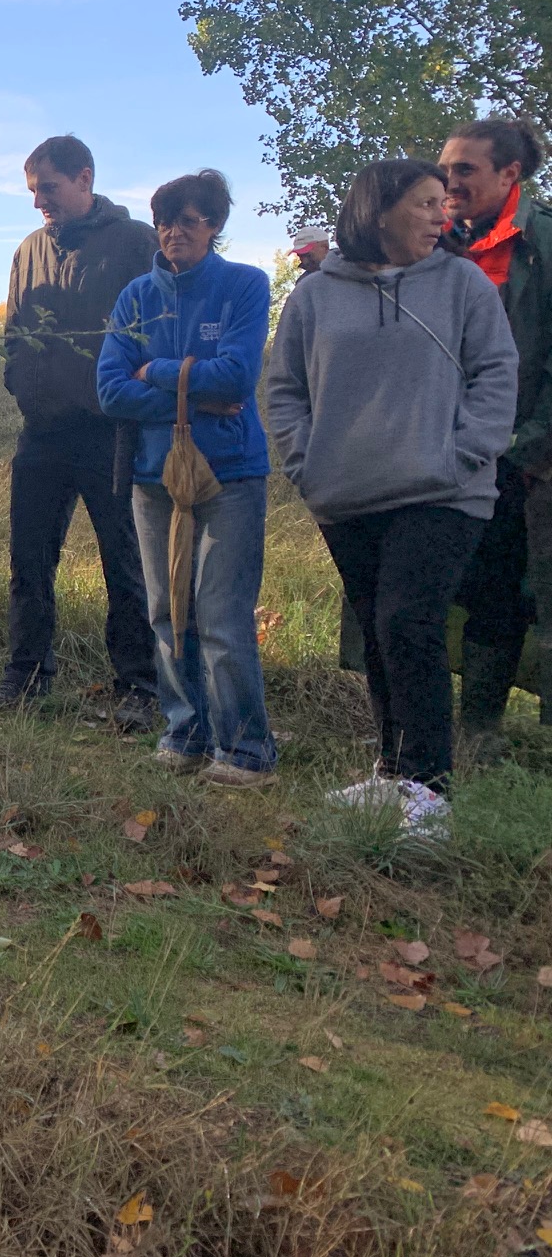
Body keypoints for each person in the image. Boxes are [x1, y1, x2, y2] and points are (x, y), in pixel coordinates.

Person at [266, 159, 517, 832]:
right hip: (347, 492)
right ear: (377, 211)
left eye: (444, 202)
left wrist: (464, 453)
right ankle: (392, 773)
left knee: (409, 622)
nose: (443, 214)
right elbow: (285, 388)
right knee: (378, 630)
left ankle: (430, 793)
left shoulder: (462, 283)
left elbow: (498, 372)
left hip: (443, 490)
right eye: (426, 203)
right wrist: (307, 465)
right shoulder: (315, 296)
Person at [97, 171, 277, 787]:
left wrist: (153, 370)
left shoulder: (245, 285)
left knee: (222, 614)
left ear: (214, 226)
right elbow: (110, 391)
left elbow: (237, 377)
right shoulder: (134, 298)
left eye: (189, 220)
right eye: (165, 221)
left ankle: (246, 751)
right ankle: (185, 734)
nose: (174, 231)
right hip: (153, 476)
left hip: (230, 472)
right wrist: (192, 390)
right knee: (166, 609)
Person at [0, 135, 160, 726]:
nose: (39, 201)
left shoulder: (135, 242)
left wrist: (129, 398)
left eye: (49, 188)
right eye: (33, 191)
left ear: (85, 178)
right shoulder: (29, 250)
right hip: (41, 433)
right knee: (29, 561)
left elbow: (156, 329)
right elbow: (15, 330)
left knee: (125, 562)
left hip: (111, 433)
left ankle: (139, 686)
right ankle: (25, 676)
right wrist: (21, 385)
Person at [440, 121, 552, 737]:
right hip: (440, 448)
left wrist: (527, 441)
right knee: (448, 584)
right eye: (445, 169)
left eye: (466, 170)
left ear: (510, 174)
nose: (450, 182)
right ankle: (434, 726)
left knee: (507, 590)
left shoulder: (541, 241)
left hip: (520, 453)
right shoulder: (434, 241)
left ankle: (484, 734)